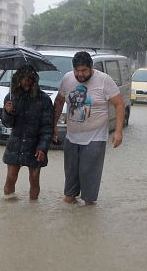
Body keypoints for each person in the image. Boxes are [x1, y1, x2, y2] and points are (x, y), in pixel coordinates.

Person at [53, 51, 125, 205]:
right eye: (77, 70)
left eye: (84, 70)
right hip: (71, 136)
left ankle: (89, 210)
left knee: (88, 175)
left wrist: (118, 132)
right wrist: (53, 126)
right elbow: (59, 102)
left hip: (95, 138)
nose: (80, 74)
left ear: (91, 67)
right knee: (70, 177)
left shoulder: (104, 80)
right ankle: (73, 214)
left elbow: (119, 104)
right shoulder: (67, 79)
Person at [1, 65, 54, 200]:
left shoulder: (44, 100)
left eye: (29, 78)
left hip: (35, 145)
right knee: (11, 177)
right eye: (22, 78)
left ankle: (33, 207)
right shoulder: (11, 97)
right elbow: (7, 124)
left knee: (34, 178)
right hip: (16, 143)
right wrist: (8, 112)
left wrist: (43, 147)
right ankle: (7, 206)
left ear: (34, 80)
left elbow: (47, 127)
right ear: (17, 80)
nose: (26, 82)